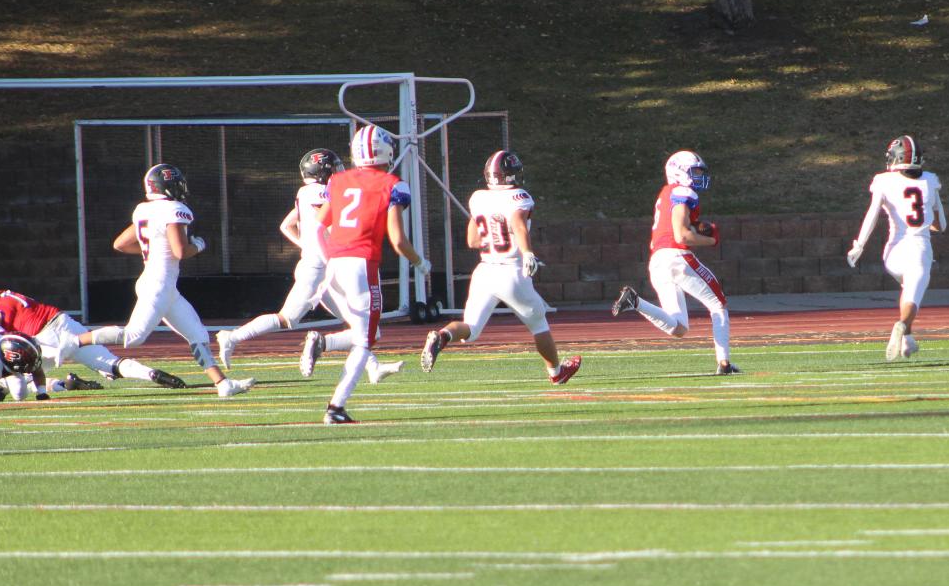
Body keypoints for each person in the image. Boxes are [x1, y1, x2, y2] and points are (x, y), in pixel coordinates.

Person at [216, 148, 401, 383]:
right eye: (334, 167)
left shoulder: (307, 192)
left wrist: (307, 245)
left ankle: (372, 367)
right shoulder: (319, 192)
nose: (339, 171)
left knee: (359, 324)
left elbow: (287, 226)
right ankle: (232, 337)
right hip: (319, 270)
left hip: (321, 266)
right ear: (323, 171)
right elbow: (322, 223)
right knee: (287, 319)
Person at [73, 165, 254, 399]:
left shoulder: (143, 210)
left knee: (198, 335)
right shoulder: (175, 209)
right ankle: (71, 342)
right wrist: (199, 245)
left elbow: (120, 243)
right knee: (133, 337)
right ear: (168, 186)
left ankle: (223, 384)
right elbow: (180, 251)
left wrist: (158, 250)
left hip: (162, 286)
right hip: (157, 284)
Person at [300, 124, 429, 425]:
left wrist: (329, 257)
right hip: (362, 265)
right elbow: (398, 241)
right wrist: (421, 263)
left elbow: (318, 227)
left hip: (336, 265)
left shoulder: (338, 181)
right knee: (365, 341)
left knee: (363, 336)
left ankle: (323, 347)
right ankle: (335, 407)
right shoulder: (393, 184)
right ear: (386, 150)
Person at [420, 150, 581, 385]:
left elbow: (472, 241)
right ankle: (557, 373)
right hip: (511, 271)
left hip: (485, 271)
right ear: (510, 175)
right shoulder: (519, 196)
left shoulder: (478, 198)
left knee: (471, 329)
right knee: (539, 324)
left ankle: (442, 336)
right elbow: (517, 223)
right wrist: (527, 253)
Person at [611, 150, 738, 375]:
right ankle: (724, 363)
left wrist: (695, 225)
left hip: (658, 261)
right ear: (679, 172)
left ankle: (635, 302)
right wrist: (711, 239)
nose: (698, 176)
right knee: (718, 304)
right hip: (676, 256)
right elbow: (681, 235)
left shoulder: (665, 193)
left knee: (678, 327)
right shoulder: (683, 191)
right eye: (694, 171)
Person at [0, 277, 186, 399]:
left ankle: (61, 384)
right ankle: (150, 373)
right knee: (109, 364)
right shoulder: (2, 293)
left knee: (7, 367)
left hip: (42, 338)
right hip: (60, 320)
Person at [845, 135, 948, 361]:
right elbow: (942, 226)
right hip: (920, 249)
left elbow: (872, 214)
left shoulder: (883, 180)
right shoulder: (930, 180)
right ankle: (902, 325)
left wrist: (859, 245)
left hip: (893, 252)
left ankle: (908, 339)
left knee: (907, 288)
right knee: (913, 295)